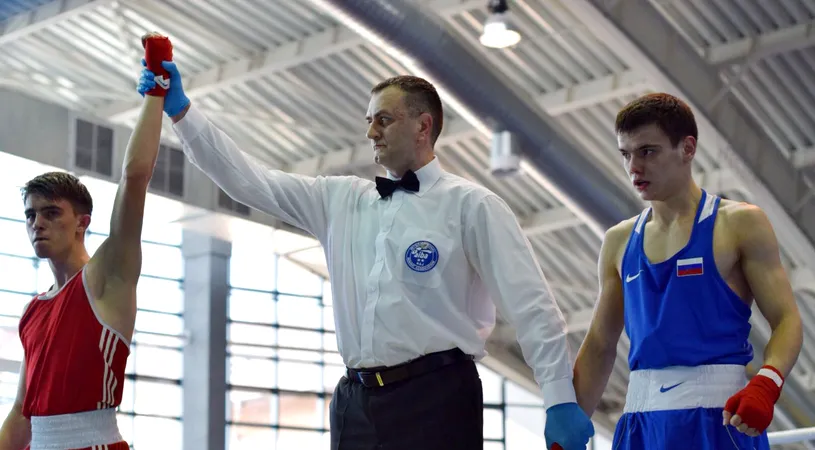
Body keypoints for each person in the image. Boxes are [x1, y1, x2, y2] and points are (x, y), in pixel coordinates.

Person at [136, 35, 595, 450]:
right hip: (355, 403)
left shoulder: (473, 206)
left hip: (438, 399)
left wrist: (557, 398)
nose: (370, 132)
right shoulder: (338, 199)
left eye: (384, 120)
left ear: (423, 126)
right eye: (369, 120)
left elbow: (532, 305)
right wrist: (182, 113)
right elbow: (249, 181)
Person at [572, 93, 803, 449]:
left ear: (687, 148)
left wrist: (767, 383)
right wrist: (567, 420)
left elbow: (787, 319)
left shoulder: (739, 223)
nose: (634, 167)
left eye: (648, 151)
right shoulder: (618, 241)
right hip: (640, 427)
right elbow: (601, 346)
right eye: (626, 154)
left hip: (719, 421)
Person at [0, 34, 174, 450]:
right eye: (30, 214)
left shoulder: (106, 277)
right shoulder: (32, 312)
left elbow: (134, 178)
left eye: (50, 212)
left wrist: (155, 91)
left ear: (83, 222)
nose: (37, 223)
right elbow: (22, 415)